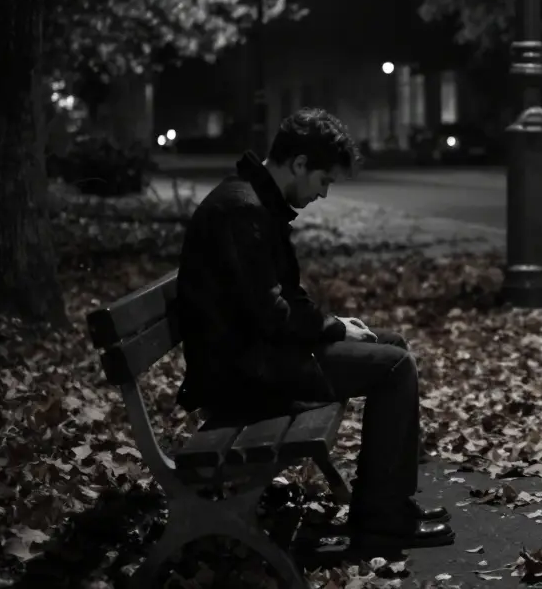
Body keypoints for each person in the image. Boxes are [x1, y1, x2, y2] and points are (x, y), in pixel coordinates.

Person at [174, 108, 455, 557]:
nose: (323, 193)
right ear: (299, 163)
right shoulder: (242, 210)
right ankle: (382, 523)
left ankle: (391, 507)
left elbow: (281, 300)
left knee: (393, 346)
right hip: (242, 375)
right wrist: (332, 328)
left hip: (256, 356)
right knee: (395, 367)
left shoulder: (255, 202)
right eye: (323, 180)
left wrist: (336, 327)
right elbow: (271, 314)